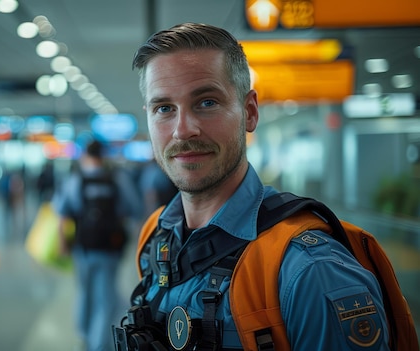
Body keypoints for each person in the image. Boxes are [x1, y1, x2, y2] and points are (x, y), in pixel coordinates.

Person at [123, 23, 390, 350]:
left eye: (206, 102)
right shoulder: (157, 236)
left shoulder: (309, 271)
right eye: (164, 108)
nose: (183, 130)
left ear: (249, 112)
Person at [51, 140, 142, 351]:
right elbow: (135, 208)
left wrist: (63, 243)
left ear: (84, 155)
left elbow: (61, 211)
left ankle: (83, 334)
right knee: (105, 298)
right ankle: (99, 344)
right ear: (104, 156)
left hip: (83, 248)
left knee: (84, 292)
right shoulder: (118, 178)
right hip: (110, 249)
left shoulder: (75, 179)